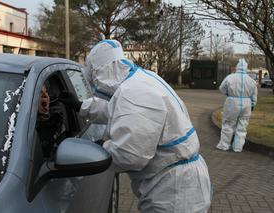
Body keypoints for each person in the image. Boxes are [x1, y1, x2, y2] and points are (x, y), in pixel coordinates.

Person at [61, 39, 212, 212]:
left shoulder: (135, 93)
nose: (96, 84)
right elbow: (117, 111)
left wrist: (102, 148)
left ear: (102, 72)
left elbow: (130, 155)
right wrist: (81, 106)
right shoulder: (140, 80)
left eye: (94, 78)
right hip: (177, 180)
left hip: (174, 190)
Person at [216, 58, 258, 152]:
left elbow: (222, 88)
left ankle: (224, 145)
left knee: (228, 124)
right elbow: (254, 95)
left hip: (232, 102)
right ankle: (238, 147)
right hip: (246, 104)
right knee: (242, 126)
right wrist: (252, 104)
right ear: (246, 68)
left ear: (237, 67)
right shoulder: (251, 81)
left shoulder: (230, 77)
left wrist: (228, 94)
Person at [36, 84, 66, 158]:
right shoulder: (17, 125)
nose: (45, 95)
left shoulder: (57, 122)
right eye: (39, 93)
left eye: (46, 92)